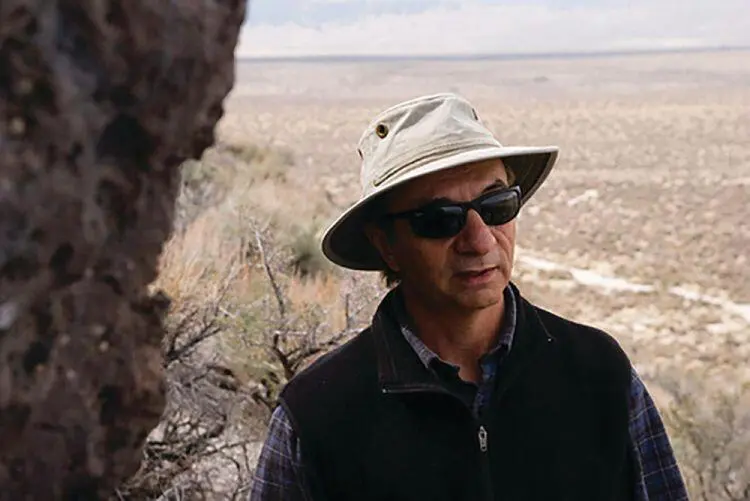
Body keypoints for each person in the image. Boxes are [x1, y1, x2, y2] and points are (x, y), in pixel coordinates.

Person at [249, 93, 688, 500]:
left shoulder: (600, 374)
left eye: (497, 206)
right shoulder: (317, 418)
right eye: (439, 218)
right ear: (386, 244)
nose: (479, 240)